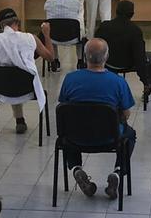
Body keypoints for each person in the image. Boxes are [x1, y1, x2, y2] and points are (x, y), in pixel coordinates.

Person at [58, 38, 137, 200]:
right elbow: (126, 114)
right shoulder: (118, 82)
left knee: (70, 127)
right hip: (109, 137)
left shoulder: (70, 79)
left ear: (85, 56)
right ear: (106, 57)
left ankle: (76, 169)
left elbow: (64, 108)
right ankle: (118, 172)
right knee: (130, 135)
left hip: (75, 137)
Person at [0, 8, 54, 134]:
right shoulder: (31, 38)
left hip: (0, 87)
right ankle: (19, 119)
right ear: (18, 22)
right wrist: (46, 34)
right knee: (19, 72)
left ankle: (19, 118)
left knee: (10, 72)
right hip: (27, 88)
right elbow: (51, 57)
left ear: (1, 25)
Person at [95, 0, 151, 103]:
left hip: (107, 62)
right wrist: (145, 81)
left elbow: (96, 46)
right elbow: (140, 58)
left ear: (116, 11)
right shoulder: (135, 30)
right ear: (132, 14)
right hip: (128, 64)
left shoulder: (104, 26)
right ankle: (149, 92)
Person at [43, 0, 85, 70]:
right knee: (81, 32)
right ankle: (80, 61)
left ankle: (55, 60)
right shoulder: (75, 0)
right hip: (73, 37)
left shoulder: (49, 0)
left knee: (51, 29)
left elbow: (46, 10)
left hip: (54, 37)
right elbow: (78, 13)